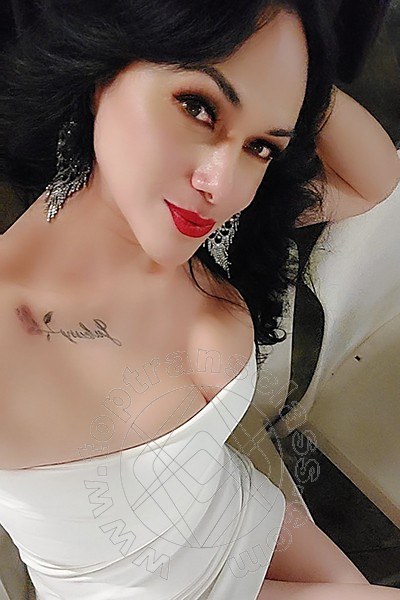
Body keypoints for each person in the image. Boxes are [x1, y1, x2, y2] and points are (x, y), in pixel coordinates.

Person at [0, 1, 399, 599]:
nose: (222, 184)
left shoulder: (204, 227)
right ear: (102, 69)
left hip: (235, 508)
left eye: (261, 146)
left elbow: (375, 180)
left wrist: (293, 76)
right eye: (198, 107)